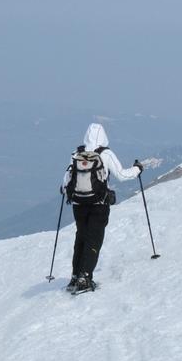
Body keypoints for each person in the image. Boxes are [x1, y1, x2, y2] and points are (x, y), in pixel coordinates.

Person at [61, 123, 143, 291]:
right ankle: (85, 277)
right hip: (98, 203)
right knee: (94, 238)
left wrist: (66, 191)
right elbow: (121, 175)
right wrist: (137, 169)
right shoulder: (105, 154)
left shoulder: (76, 153)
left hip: (78, 204)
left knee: (81, 237)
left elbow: (66, 180)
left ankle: (75, 276)